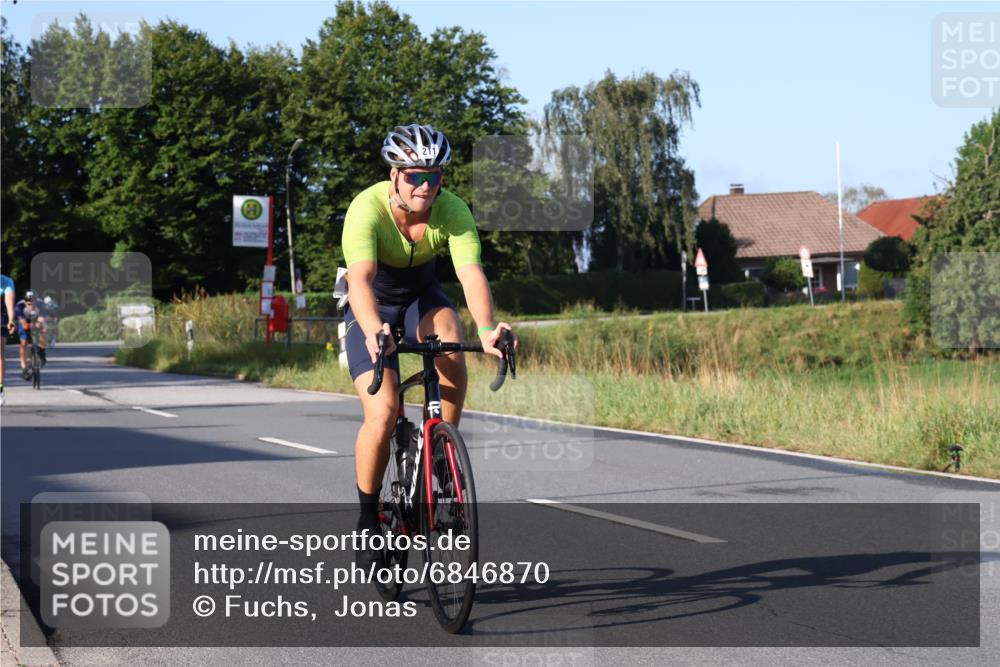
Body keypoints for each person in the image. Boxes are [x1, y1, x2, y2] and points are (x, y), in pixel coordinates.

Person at [341, 124, 518, 566]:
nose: (425, 187)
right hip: (372, 304)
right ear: (394, 174)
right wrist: (372, 329)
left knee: (452, 343)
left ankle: (441, 454)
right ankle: (367, 518)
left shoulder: (452, 210)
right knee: (381, 414)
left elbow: (470, 273)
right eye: (415, 176)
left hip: (422, 297)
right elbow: (359, 280)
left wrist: (488, 328)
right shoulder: (366, 208)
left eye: (434, 177)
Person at [15, 290, 46, 378]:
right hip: (25, 322)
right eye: (28, 301)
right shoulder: (19, 306)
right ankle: (24, 367)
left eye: (33, 301)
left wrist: (39, 324)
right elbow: (24, 325)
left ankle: (42, 351)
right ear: (24, 301)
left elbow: (42, 321)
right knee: (24, 342)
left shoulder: (41, 304)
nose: (31, 303)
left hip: (36, 320)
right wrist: (32, 325)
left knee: (44, 330)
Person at [0, 272, 15, 406]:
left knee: (0, 351)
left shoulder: (6, 282)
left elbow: (9, 304)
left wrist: (11, 320)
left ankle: (0, 390)